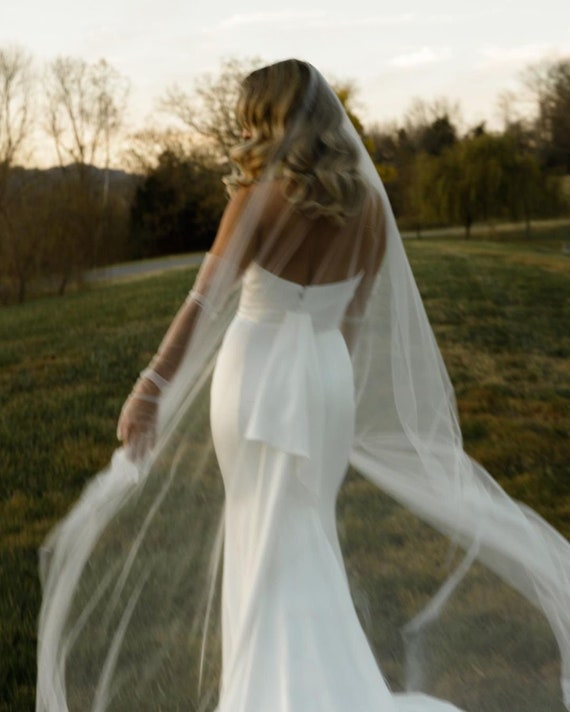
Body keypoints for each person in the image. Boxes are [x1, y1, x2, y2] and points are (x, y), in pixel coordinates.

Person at [36, 60, 570, 712]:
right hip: (325, 382)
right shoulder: (370, 207)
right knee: (302, 529)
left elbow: (203, 303)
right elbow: (351, 317)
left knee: (262, 530)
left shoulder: (256, 196)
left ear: (270, 118)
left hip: (258, 376)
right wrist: (322, 392)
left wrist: (151, 386)